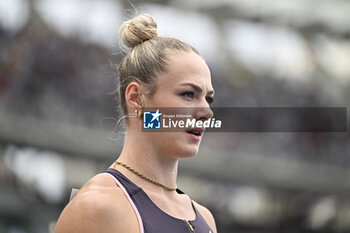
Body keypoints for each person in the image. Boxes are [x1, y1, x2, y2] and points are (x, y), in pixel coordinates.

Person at [54, 13, 217, 233]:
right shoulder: (97, 206)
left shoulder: (204, 217)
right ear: (136, 98)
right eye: (188, 94)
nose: (206, 111)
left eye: (208, 98)